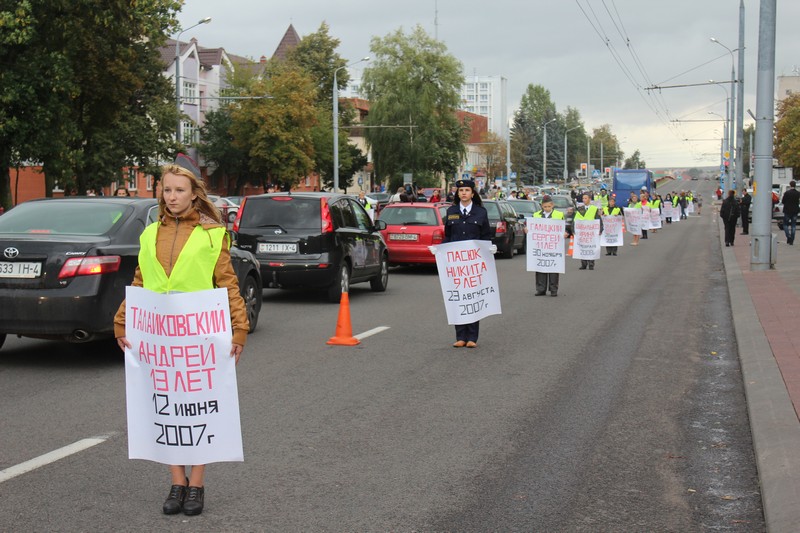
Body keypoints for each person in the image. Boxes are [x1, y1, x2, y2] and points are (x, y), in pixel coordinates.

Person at [114, 155, 249, 517]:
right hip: (159, 337)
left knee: (199, 409)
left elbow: (228, 283)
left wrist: (239, 327)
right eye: (167, 189)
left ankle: (198, 484)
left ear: (193, 194)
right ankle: (176, 481)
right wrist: (122, 321)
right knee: (165, 409)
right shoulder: (149, 233)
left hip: (200, 336)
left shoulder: (211, 234)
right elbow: (140, 282)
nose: (171, 196)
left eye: (179, 190)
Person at [440, 179, 492, 348]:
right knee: (459, 298)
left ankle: (472, 338)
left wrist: (489, 249)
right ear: (457, 193)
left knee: (473, 297)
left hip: (474, 263)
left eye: (467, 190)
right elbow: (448, 235)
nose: (463, 193)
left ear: (473, 193)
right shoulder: (452, 211)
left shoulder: (480, 212)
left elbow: (485, 236)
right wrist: (440, 251)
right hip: (456, 264)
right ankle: (460, 336)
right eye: (461, 190)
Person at [532, 195, 570, 296]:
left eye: (549, 206)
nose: (547, 209)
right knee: (541, 266)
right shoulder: (536, 215)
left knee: (553, 267)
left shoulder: (559, 214)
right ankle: (541, 288)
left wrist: (565, 233)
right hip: (540, 246)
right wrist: (527, 230)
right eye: (545, 207)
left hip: (554, 246)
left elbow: (563, 228)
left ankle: (553, 289)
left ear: (552, 205)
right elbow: (531, 229)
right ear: (542, 206)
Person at [574, 193, 603, 270]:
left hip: (591, 232)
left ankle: (591, 264)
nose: (584, 200)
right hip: (582, 232)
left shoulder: (594, 209)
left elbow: (598, 219)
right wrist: (574, 230)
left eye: (585, 198)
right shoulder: (580, 209)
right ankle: (583, 264)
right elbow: (575, 220)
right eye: (583, 198)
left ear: (589, 199)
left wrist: (600, 229)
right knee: (583, 247)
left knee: (591, 247)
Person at [782, 180, 800, 245]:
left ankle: (788, 236)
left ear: (790, 185)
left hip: (787, 210)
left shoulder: (786, 193)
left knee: (785, 224)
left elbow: (783, 201)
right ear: (795, 185)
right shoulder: (798, 193)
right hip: (795, 211)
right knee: (793, 225)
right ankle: (792, 239)